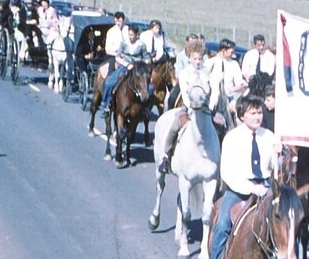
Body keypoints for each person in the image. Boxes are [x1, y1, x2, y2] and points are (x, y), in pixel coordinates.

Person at [206, 95, 277, 259]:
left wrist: (278, 156)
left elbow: (273, 167)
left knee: (285, 220)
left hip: (264, 186)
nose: (258, 117)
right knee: (222, 224)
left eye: (260, 112)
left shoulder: (269, 137)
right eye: (252, 113)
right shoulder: (232, 138)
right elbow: (227, 172)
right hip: (239, 189)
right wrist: (251, 188)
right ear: (242, 115)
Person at [157, 38, 222, 174]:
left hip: (207, 108)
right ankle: (166, 155)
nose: (197, 62)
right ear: (189, 58)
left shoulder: (209, 73)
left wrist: (211, 105)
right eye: (195, 59)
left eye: (200, 59)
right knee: (175, 124)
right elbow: (185, 95)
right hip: (189, 108)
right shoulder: (184, 73)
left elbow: (215, 91)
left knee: (222, 124)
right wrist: (190, 106)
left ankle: (219, 158)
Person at [99, 24, 149, 118]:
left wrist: (142, 64)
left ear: (136, 34)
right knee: (109, 83)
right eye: (129, 34)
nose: (130, 37)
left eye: (132, 35)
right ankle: (106, 104)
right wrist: (127, 64)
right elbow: (117, 56)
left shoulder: (142, 45)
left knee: (149, 87)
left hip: (137, 68)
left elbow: (146, 58)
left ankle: (145, 108)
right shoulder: (124, 43)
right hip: (125, 66)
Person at [207, 39, 246, 112]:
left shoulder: (234, 64)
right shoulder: (210, 63)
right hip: (212, 98)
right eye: (231, 52)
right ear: (223, 51)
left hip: (230, 98)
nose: (233, 54)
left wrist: (232, 89)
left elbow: (239, 82)